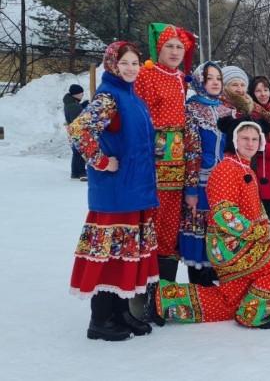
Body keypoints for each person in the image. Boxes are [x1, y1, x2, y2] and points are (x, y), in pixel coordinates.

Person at [149, 118, 270, 329]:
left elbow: (257, 211)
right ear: (234, 140)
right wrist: (259, 233)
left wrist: (269, 230)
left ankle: (164, 298)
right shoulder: (227, 168)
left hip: (241, 242)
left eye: (254, 139)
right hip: (230, 245)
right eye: (244, 139)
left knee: (229, 303)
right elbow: (224, 214)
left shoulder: (245, 168)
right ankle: (254, 314)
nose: (250, 143)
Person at [68, 41, 159, 341]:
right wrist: (102, 161)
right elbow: (79, 131)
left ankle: (120, 313)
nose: (131, 68)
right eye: (125, 63)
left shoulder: (133, 97)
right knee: (110, 256)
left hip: (135, 190)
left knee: (126, 256)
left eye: (135, 62)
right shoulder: (108, 98)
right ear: (112, 65)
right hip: (116, 194)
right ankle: (100, 320)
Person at [133, 23, 196, 283]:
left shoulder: (181, 78)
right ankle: (143, 290)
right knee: (150, 223)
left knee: (170, 225)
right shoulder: (146, 75)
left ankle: (164, 290)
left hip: (178, 163)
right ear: (158, 49)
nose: (174, 52)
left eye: (179, 47)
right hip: (154, 161)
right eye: (169, 46)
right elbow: (139, 119)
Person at [180, 61, 235, 286]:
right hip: (201, 182)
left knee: (218, 228)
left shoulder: (225, 109)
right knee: (199, 230)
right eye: (209, 78)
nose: (214, 82)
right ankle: (199, 283)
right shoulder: (192, 109)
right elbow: (191, 151)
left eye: (218, 78)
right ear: (200, 81)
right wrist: (191, 189)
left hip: (223, 182)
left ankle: (216, 271)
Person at [248, 76, 270, 220]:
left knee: (269, 216)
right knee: (262, 218)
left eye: (266, 89)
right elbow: (258, 147)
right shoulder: (252, 115)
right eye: (258, 91)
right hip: (260, 171)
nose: (263, 94)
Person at [64, 83, 88, 181]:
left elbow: (78, 109)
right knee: (81, 151)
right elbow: (77, 119)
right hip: (77, 132)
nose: (83, 94)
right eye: (81, 93)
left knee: (76, 152)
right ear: (76, 94)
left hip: (72, 131)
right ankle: (82, 173)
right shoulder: (73, 105)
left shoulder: (72, 103)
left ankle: (74, 173)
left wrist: (84, 104)